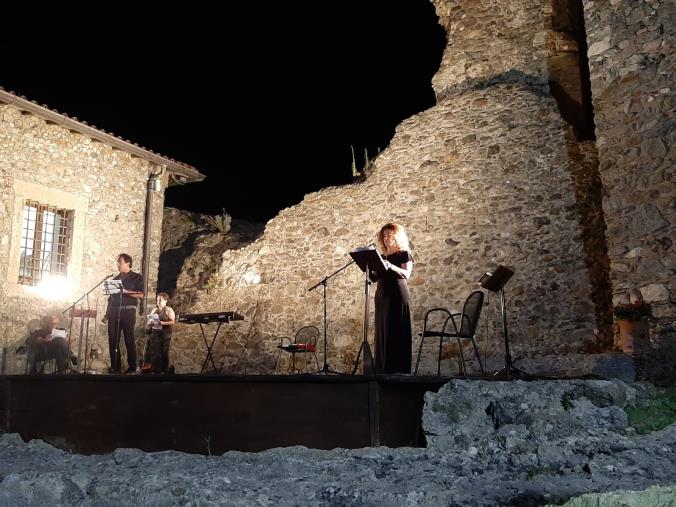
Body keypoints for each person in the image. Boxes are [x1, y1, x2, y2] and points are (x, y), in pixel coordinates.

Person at [372, 222, 413, 374]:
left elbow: (406, 274)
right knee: (383, 332)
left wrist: (390, 265)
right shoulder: (381, 256)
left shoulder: (404, 253)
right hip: (382, 296)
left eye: (390, 234)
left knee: (396, 331)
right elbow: (375, 278)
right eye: (384, 235)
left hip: (397, 295)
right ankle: (382, 370)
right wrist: (369, 269)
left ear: (397, 235)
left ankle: (398, 370)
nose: (387, 238)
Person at [105, 253, 144, 374]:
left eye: (120, 262)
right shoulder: (115, 280)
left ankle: (133, 367)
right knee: (113, 340)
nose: (118, 264)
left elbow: (141, 295)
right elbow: (110, 299)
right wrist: (106, 314)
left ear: (128, 263)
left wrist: (126, 291)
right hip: (114, 312)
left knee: (129, 339)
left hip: (128, 311)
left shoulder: (137, 277)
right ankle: (115, 368)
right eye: (118, 262)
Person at [146, 292, 175, 373]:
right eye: (157, 300)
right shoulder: (154, 310)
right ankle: (155, 371)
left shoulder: (169, 310)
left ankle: (164, 371)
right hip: (155, 334)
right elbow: (149, 322)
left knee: (164, 352)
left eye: (160, 300)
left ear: (165, 301)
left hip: (165, 334)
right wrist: (150, 323)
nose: (158, 302)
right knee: (155, 353)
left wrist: (163, 323)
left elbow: (172, 322)